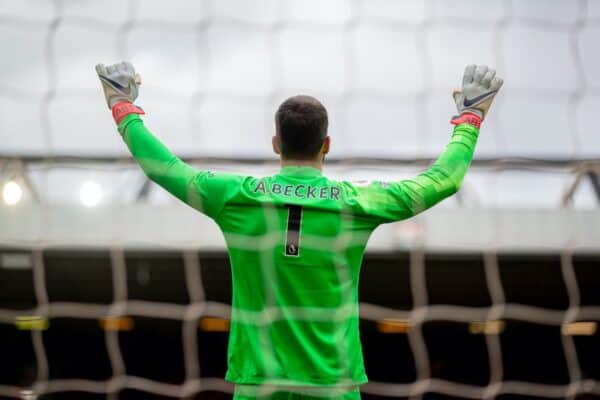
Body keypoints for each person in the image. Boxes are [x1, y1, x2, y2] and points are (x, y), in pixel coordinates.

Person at [95, 62, 503, 400]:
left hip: (259, 385)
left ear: (276, 143)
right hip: (334, 385)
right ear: (326, 144)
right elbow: (442, 181)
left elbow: (162, 168)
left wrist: (122, 105)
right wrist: (470, 117)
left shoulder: (236, 197)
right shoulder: (357, 203)